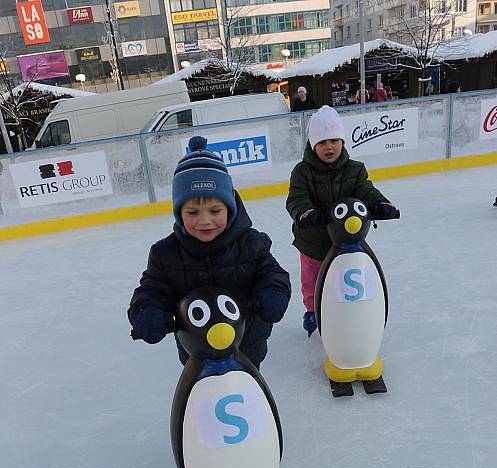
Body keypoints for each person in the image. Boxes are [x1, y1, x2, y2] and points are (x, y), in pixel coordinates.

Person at [128, 136, 291, 369]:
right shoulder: (165, 254)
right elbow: (152, 289)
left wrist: (272, 292)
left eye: (215, 210)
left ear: (230, 208)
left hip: (247, 346)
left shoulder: (252, 243)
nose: (205, 221)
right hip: (196, 353)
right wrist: (147, 310)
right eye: (192, 212)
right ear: (178, 212)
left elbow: (273, 274)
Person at [286, 105, 400, 336]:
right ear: (312, 145)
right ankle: (312, 310)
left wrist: (381, 205)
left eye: (334, 141)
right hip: (313, 242)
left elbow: (366, 191)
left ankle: (345, 309)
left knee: (343, 278)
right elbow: (296, 198)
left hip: (347, 242)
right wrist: (305, 212)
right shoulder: (302, 172)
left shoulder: (355, 170)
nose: (329, 147)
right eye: (322, 142)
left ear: (342, 142)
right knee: (312, 280)